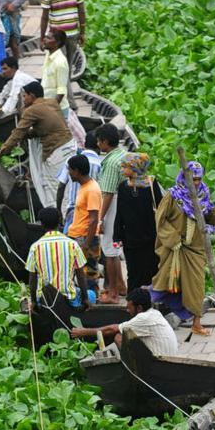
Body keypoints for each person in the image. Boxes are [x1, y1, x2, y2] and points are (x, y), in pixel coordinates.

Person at [150, 160, 215, 335]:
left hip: (196, 249)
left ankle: (196, 323)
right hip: (176, 248)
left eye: (198, 179)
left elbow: (208, 216)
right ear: (184, 176)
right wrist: (173, 239)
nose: (195, 183)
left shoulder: (203, 193)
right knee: (164, 282)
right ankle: (149, 313)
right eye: (192, 178)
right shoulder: (173, 195)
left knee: (197, 286)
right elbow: (160, 220)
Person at [0, 83, 74, 207]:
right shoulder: (52, 102)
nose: (23, 99)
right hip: (70, 145)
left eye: (24, 96)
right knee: (69, 184)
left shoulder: (32, 110)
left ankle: (60, 219)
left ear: (32, 96)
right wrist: (29, 134)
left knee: (54, 187)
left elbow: (17, 134)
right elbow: (47, 126)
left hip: (56, 151)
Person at [70, 287, 178, 356]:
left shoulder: (143, 318)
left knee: (118, 337)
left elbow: (112, 329)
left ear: (139, 308)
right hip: (165, 356)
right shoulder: (154, 313)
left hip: (159, 362)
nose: (127, 311)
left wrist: (83, 332)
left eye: (129, 308)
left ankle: (129, 370)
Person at [25, 207, 92, 311]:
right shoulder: (73, 244)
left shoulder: (35, 247)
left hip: (44, 300)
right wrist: (85, 299)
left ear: (41, 224)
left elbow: (32, 279)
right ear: (60, 221)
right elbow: (81, 276)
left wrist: (34, 302)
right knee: (91, 294)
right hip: (69, 299)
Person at [114, 152, 163, 293]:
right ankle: (133, 302)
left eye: (125, 167)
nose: (123, 170)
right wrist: (117, 235)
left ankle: (150, 302)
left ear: (135, 167)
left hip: (150, 238)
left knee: (150, 271)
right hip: (130, 239)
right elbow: (120, 212)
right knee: (133, 272)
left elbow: (160, 209)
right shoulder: (123, 187)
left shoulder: (151, 185)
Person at [95, 125, 128, 303]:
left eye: (99, 141)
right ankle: (121, 285)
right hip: (124, 206)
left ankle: (113, 294)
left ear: (105, 142)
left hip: (112, 206)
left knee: (109, 251)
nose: (98, 144)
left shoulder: (111, 163)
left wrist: (100, 219)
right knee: (114, 248)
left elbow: (107, 193)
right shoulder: (123, 155)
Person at [39, 0, 85, 68]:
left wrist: (42, 38)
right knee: (68, 67)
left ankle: (63, 86)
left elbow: (44, 18)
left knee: (58, 67)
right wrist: (82, 33)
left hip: (56, 37)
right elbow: (81, 12)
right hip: (73, 33)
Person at [65, 153, 102, 285]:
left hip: (84, 237)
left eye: (70, 169)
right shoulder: (84, 186)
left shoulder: (91, 190)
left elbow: (93, 219)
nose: (68, 173)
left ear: (76, 171)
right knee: (78, 271)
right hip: (77, 234)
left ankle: (90, 299)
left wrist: (87, 244)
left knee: (88, 273)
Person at [57, 132, 100, 231]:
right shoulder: (100, 164)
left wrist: (58, 209)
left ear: (84, 144)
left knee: (70, 242)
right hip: (92, 211)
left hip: (74, 209)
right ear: (99, 145)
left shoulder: (71, 161)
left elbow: (61, 186)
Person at [40, 28, 70, 118]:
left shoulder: (60, 62)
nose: (44, 40)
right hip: (46, 104)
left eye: (48, 38)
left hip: (57, 109)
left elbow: (61, 90)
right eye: (45, 37)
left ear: (57, 43)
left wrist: (52, 110)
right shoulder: (48, 55)